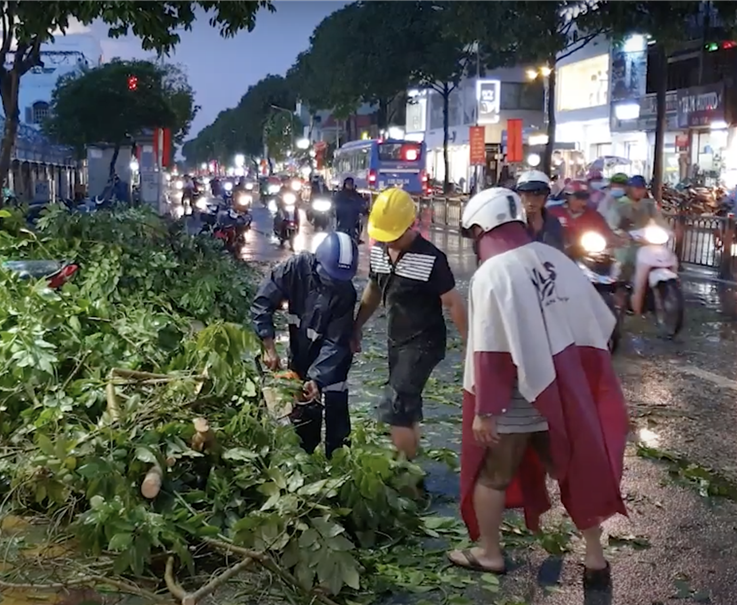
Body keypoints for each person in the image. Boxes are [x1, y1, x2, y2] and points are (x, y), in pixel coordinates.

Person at [447, 186, 629, 589]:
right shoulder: (552, 258)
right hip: (561, 394)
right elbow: (595, 320)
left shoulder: (491, 273)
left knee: (492, 475)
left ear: (481, 228)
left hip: (515, 400)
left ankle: (489, 553)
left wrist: (486, 409)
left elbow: (491, 349)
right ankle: (595, 557)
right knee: (575, 471)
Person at [353, 188, 467, 460]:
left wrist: (469, 345)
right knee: (407, 403)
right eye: (384, 237)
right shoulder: (380, 252)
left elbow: (453, 303)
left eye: (394, 236)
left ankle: (403, 469)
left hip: (425, 342)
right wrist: (356, 327)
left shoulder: (432, 258)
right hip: (397, 338)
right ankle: (411, 465)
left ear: (411, 225)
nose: (389, 242)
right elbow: (373, 291)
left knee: (397, 405)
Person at [251, 232, 359, 457]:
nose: (334, 285)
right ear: (318, 262)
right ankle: (305, 459)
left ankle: (340, 462)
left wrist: (317, 378)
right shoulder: (295, 268)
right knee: (303, 411)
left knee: (336, 412)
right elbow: (262, 302)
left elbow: (335, 342)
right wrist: (268, 347)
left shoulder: (346, 293)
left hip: (333, 360)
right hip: (300, 349)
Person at [605, 175, 670, 313]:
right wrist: (621, 232)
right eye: (637, 188)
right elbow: (612, 224)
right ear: (630, 188)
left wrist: (668, 231)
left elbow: (659, 220)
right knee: (624, 269)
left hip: (646, 243)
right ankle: (620, 301)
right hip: (627, 244)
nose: (639, 192)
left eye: (642, 189)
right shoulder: (619, 204)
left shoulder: (648, 205)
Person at [549, 184, 615, 258]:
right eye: (578, 198)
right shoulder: (553, 212)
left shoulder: (594, 216)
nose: (583, 203)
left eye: (585, 198)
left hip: (586, 256)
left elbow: (607, 234)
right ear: (568, 197)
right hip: (556, 254)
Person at [515, 170, 565, 251]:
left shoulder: (553, 223)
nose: (531, 201)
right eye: (527, 195)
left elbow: (559, 252)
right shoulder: (513, 224)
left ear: (546, 197)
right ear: (520, 195)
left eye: (537, 195)